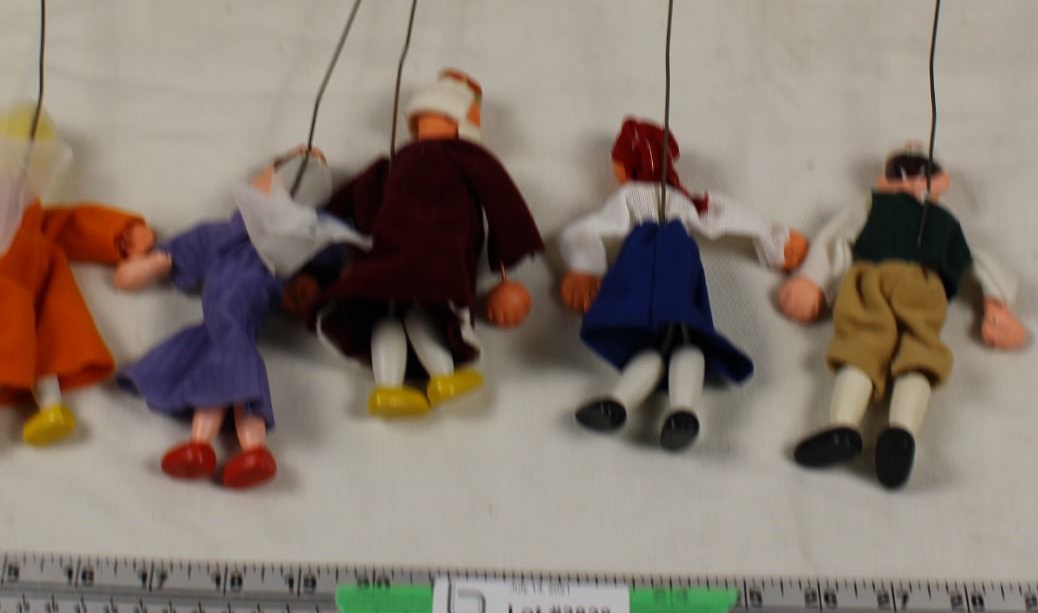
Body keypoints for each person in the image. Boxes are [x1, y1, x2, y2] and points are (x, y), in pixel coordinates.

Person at [113, 148, 366, 488]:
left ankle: (224, 447)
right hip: (219, 325)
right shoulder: (219, 235)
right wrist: (148, 262)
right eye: (280, 180)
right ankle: (222, 449)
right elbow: (146, 269)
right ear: (261, 181)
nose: (282, 194)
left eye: (302, 193)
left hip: (238, 323)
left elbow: (329, 271)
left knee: (229, 359)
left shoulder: (299, 243)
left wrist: (308, 287)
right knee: (223, 365)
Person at [776, 144, 1026, 489]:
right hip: (885, 281)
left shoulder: (942, 220)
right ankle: (854, 431)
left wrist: (996, 304)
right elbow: (837, 236)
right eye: (901, 170)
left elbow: (974, 260)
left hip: (909, 284)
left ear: (940, 180)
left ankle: (890, 434)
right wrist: (811, 280)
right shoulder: (877, 203)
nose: (909, 178)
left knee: (904, 351)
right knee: (873, 348)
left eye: (918, 170)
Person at [0, 105, 153, 445]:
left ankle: (51, 410)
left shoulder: (33, 212)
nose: (24, 167)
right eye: (17, 156)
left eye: (34, 161)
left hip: (34, 292)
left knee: (45, 350)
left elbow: (68, 225)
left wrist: (121, 233)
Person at [559, 119, 808, 451]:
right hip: (675, 264)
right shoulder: (686, 201)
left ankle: (630, 404)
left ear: (627, 167)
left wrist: (584, 266)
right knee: (683, 338)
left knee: (666, 341)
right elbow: (723, 213)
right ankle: (665, 409)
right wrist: (773, 237)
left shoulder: (635, 195)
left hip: (647, 266)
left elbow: (599, 225)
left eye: (618, 163)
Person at [308, 69, 543, 418]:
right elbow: (503, 203)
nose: (428, 123)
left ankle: (398, 386)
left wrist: (506, 272)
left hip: (406, 260)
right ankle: (428, 380)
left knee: (395, 315)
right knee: (416, 313)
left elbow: (501, 204)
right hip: (426, 261)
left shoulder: (442, 158)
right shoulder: (414, 160)